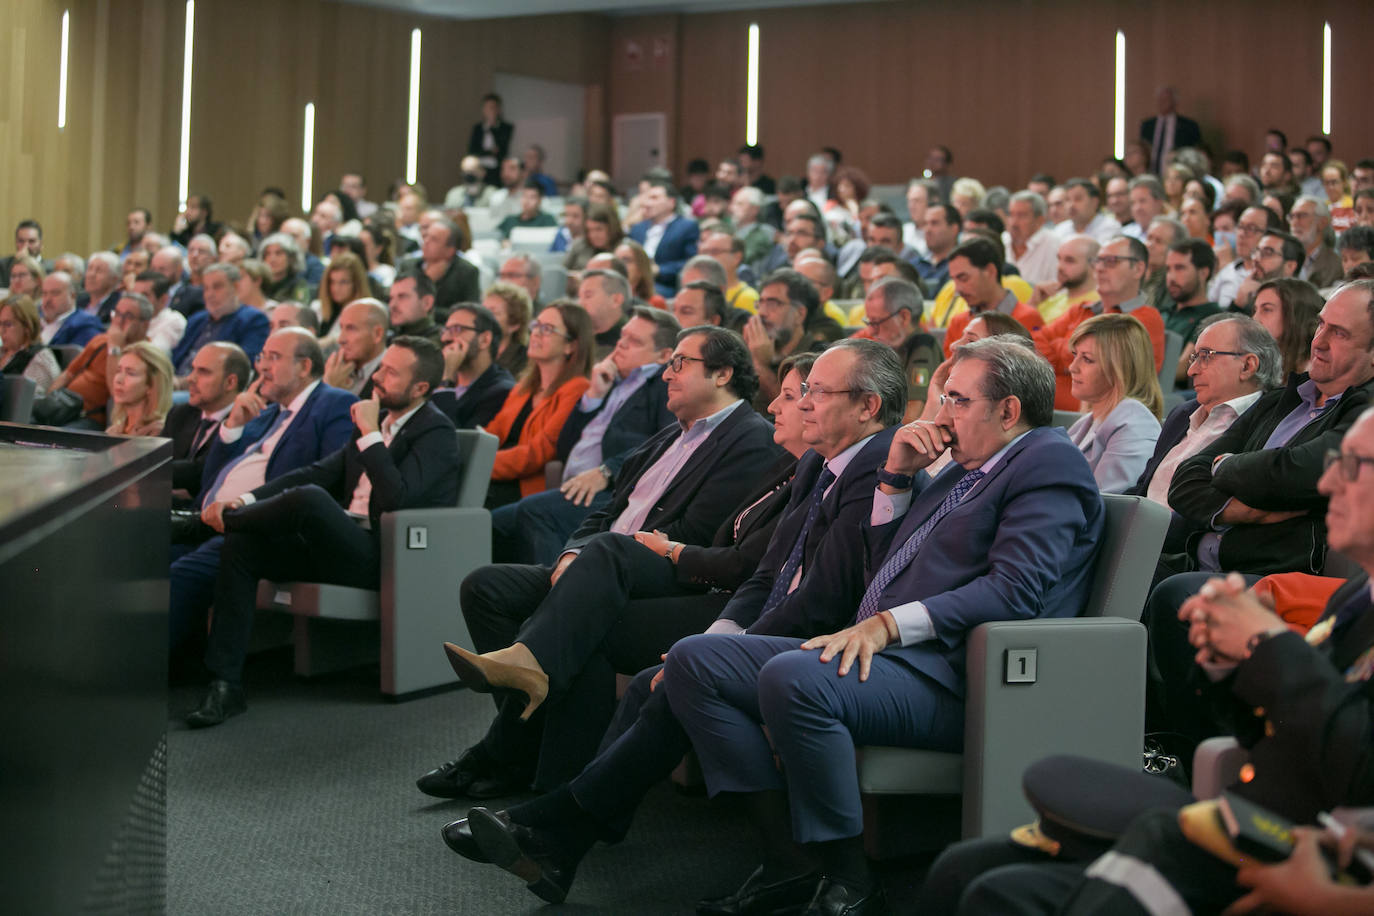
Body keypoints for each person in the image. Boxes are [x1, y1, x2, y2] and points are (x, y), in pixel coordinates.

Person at [448, 337, 1103, 911]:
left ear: (1008, 410)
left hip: (958, 675)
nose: (940, 414)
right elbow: (881, 567)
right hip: (891, 656)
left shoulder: (1046, 462)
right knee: (694, 659)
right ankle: (775, 859)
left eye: (956, 399)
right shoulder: (964, 469)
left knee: (791, 678)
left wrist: (885, 626)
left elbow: (1016, 590)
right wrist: (898, 480)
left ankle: (847, 878)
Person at [926, 408, 1374, 916]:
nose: (1328, 482)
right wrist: (1228, 664)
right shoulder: (1356, 598)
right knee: (962, 870)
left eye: (1353, 465)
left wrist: (1268, 647)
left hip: (1302, 861)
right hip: (1250, 831)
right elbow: (1269, 735)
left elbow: (1358, 767)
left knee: (996, 893)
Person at [428, 326, 788, 797]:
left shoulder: (751, 439)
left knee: (596, 596)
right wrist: (573, 554)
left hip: (669, 575)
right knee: (486, 587)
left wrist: (596, 553)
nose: (666, 374)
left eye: (680, 363)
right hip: (601, 565)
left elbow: (695, 533)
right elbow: (605, 511)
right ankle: (526, 724)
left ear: (722, 374)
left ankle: (508, 751)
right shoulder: (667, 437)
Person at [184, 336, 459, 727]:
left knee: (311, 500)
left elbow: (397, 499)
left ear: (420, 388)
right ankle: (225, 684)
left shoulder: (437, 432)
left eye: (391, 373)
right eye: (381, 367)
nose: (378, 377)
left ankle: (198, 525)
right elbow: (317, 472)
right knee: (243, 544)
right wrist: (245, 500)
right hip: (340, 542)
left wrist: (370, 434)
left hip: (386, 556)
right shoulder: (375, 419)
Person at [167, 329, 356, 665]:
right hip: (207, 520)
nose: (263, 366)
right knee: (143, 554)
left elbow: (327, 478)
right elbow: (212, 478)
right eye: (262, 356)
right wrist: (233, 427)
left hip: (262, 528)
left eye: (274, 357)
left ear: (304, 366)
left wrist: (246, 507)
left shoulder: (335, 404)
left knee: (181, 572)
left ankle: (143, 672)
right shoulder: (267, 412)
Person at [1166, 279, 1374, 577]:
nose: (1319, 341)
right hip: (1197, 561)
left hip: (1269, 577)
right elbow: (1185, 478)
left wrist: (1223, 466)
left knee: (1168, 590)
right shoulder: (1280, 399)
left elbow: (1297, 471)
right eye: (1321, 325)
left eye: (1339, 333)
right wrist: (1250, 512)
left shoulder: (1366, 414)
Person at [490, 306, 677, 565]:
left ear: (664, 355)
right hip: (575, 485)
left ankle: (553, 587)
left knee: (535, 512)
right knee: (492, 524)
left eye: (634, 341)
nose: (621, 344)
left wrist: (607, 471)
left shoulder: (663, 387)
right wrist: (594, 397)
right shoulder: (613, 381)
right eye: (622, 336)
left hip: (615, 491)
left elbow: (667, 442)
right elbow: (565, 445)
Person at [483, 302, 595, 508]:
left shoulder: (577, 388)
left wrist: (479, 464)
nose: (536, 333)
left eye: (547, 329)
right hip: (494, 474)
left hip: (525, 487)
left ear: (571, 346)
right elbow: (491, 435)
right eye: (536, 326)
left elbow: (539, 453)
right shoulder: (523, 388)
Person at [1034, 235, 1166, 410]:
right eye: (1098, 261)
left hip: (1102, 412)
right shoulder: (1081, 309)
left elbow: (1108, 374)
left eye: (1111, 261)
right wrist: (1070, 356)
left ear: (1138, 269)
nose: (1100, 268)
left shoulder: (1145, 319)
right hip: (1052, 400)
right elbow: (1035, 341)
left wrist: (1057, 348)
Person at [1063, 313, 1164, 493]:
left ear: (1120, 369)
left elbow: (1109, 501)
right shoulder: (1088, 420)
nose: (1072, 367)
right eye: (1075, 355)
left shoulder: (1136, 425)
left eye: (1087, 359)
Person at [161, 342, 251, 504]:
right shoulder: (181, 414)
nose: (190, 378)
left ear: (230, 382)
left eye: (203, 372)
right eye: (193, 369)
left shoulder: (243, 424)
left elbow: (204, 472)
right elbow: (159, 460)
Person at [743, 268, 844, 408]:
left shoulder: (820, 358)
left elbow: (802, 411)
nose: (762, 313)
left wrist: (760, 366)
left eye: (772, 304)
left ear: (799, 314)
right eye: (760, 304)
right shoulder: (751, 350)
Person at [857, 277, 941, 420]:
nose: (871, 331)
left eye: (876, 322)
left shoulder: (923, 346)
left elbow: (914, 410)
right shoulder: (892, 348)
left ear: (903, 317)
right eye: (868, 322)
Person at [171, 264, 271, 380]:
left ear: (236, 287)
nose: (210, 294)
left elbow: (242, 366)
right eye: (206, 288)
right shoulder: (197, 319)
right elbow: (175, 357)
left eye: (217, 287)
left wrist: (187, 382)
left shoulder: (253, 320)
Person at [430, 303, 516, 429]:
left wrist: (445, 382)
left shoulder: (501, 392)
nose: (445, 338)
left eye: (456, 329)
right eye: (445, 330)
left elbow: (454, 438)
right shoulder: (434, 379)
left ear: (484, 340)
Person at [627, 179, 699, 297]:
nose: (647, 203)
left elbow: (690, 262)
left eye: (654, 198)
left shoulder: (686, 226)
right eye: (646, 198)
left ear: (671, 202)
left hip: (665, 285)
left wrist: (659, 270)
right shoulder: (637, 228)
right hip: (634, 283)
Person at [1252, 276, 1323, 378]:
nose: (1255, 319)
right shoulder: (1261, 359)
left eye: (1267, 309)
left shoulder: (1314, 372)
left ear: (1295, 314)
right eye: (1255, 310)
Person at [322, 299, 388, 397]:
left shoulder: (391, 377)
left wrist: (331, 390)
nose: (340, 339)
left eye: (351, 328)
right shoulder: (336, 370)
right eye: (341, 328)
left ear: (377, 334)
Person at [106, 340, 174, 436]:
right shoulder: (113, 431)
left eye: (130, 373)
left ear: (151, 385)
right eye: (118, 371)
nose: (119, 380)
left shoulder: (158, 433)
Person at [0, 295, 60, 398]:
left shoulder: (40, 359)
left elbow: (29, 403)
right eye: (0, 324)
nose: (1, 331)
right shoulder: (3, 351)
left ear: (27, 326)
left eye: (8, 324)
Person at [314, 251, 369, 338]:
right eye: (332, 282)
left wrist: (330, 341)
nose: (336, 288)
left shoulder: (366, 314)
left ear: (356, 284)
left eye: (343, 282)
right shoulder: (317, 307)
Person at [468, 93, 513, 187]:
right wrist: (489, 152)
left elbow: (503, 149)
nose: (490, 111)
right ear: (483, 110)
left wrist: (492, 127)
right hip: (479, 168)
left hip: (497, 170)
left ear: (499, 109)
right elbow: (472, 150)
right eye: (488, 108)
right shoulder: (478, 129)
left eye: (493, 108)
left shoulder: (506, 128)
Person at [258, 232, 310, 305]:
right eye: (267, 254)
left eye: (278, 253)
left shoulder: (298, 285)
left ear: (291, 258)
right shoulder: (258, 284)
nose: (272, 259)